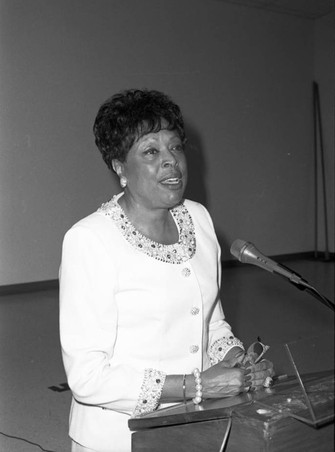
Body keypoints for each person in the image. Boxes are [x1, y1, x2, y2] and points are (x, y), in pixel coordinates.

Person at [59, 89, 274, 452]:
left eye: (175, 147)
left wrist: (238, 361)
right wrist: (198, 385)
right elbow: (88, 377)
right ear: (119, 167)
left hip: (195, 425)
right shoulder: (89, 240)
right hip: (119, 437)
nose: (171, 162)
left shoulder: (199, 219)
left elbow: (211, 323)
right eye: (150, 151)